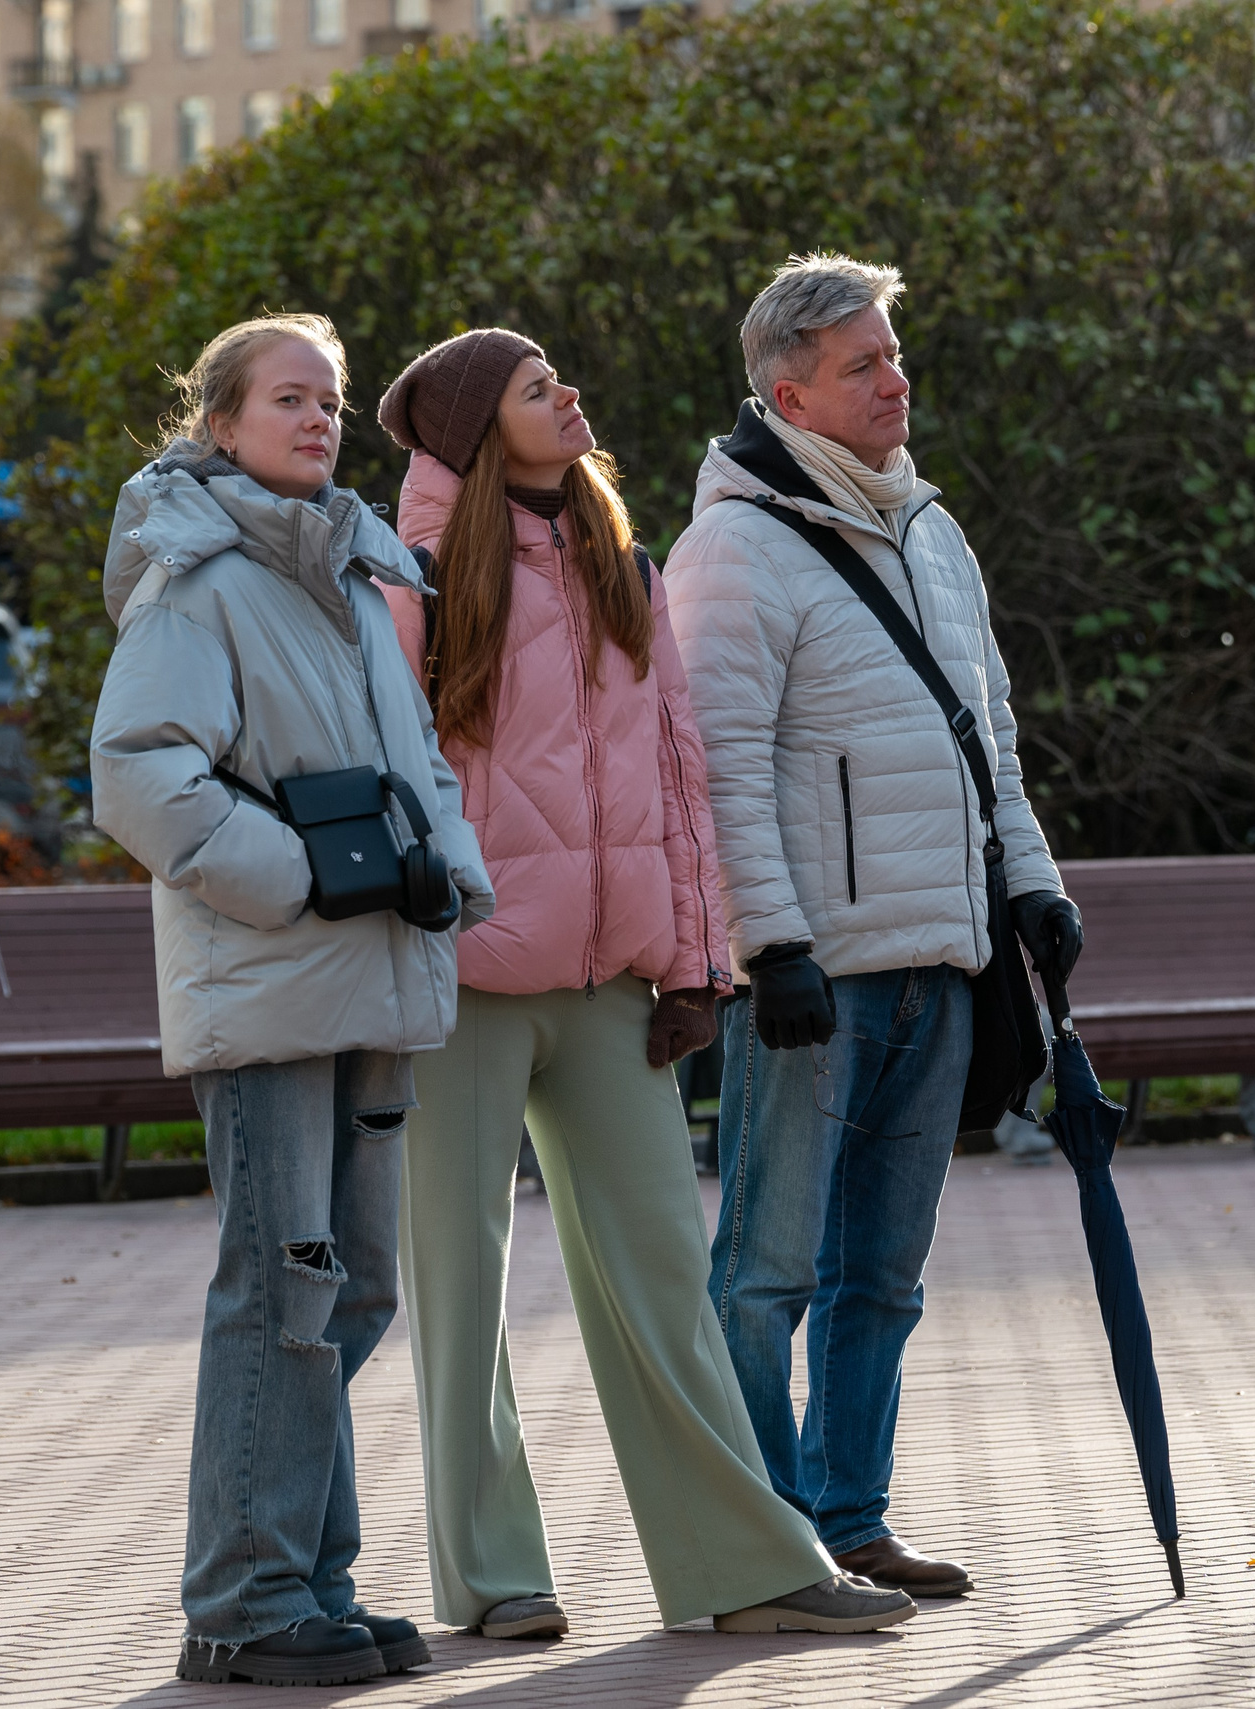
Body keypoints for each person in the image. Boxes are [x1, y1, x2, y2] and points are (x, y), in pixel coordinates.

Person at [375, 328, 914, 1638]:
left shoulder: (627, 566)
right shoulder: (416, 574)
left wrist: (693, 963)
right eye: (534, 386)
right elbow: (388, 759)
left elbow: (679, 781)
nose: (567, 395)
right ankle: (495, 1575)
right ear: (473, 427)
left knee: (666, 1278)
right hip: (465, 979)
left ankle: (742, 1565)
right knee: (462, 1281)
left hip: (615, 984)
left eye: (561, 378)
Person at [664, 253, 1082, 1598]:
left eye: (896, 355)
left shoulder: (928, 526)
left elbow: (990, 738)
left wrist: (1031, 881)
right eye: (865, 364)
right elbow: (716, 762)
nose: (897, 380)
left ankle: (849, 1519)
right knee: (769, 1272)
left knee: (881, 1280)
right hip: (816, 980)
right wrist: (769, 945)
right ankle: (754, 1540)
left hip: (942, 968)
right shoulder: (733, 543)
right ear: (788, 391)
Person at [90, 313, 495, 1687]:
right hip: (269, 986)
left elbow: (420, 764)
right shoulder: (193, 580)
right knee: (282, 1288)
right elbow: (139, 770)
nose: (318, 419)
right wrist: (302, 877)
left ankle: (312, 1577)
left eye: (328, 400)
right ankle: (245, 1603)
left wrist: (453, 871)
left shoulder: (350, 573)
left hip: (370, 983)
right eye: (287, 398)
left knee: (353, 1286)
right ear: (217, 425)